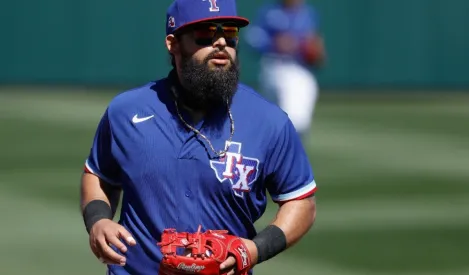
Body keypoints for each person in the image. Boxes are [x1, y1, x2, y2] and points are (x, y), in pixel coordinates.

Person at [79, 0, 317, 274]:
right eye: (205, 33)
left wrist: (255, 249)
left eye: (229, 32)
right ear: (173, 43)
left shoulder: (270, 121)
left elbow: (300, 201)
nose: (220, 43)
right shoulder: (126, 112)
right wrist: (98, 220)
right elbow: (98, 174)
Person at [243, 0, 326, 143]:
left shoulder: (308, 14)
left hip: (299, 69)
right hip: (273, 65)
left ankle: (287, 156)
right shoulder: (270, 11)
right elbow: (252, 38)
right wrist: (273, 43)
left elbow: (315, 43)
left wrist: (315, 52)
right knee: (276, 120)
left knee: (295, 121)